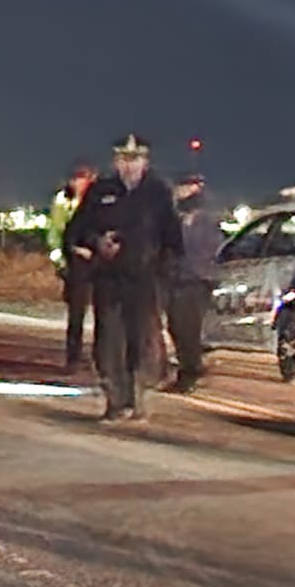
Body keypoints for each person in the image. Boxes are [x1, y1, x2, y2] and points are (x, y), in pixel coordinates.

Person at [64, 134, 183, 422]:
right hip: (108, 278)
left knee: (142, 341)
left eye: (135, 160)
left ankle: (138, 396)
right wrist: (97, 242)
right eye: (123, 160)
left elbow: (173, 239)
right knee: (109, 342)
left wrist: (163, 273)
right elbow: (74, 233)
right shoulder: (100, 191)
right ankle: (116, 401)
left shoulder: (158, 193)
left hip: (144, 280)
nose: (128, 166)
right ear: (115, 161)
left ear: (145, 161)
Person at [163, 172, 224, 393]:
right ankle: (189, 370)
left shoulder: (201, 214)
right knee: (178, 326)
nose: (178, 192)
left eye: (183, 187)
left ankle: (191, 373)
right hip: (181, 276)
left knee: (186, 327)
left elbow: (202, 247)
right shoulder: (179, 212)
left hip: (194, 278)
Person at [47, 161, 99, 371]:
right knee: (76, 313)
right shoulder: (64, 200)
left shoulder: (99, 199)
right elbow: (55, 230)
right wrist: (60, 260)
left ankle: (100, 357)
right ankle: (73, 357)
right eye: (78, 179)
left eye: (84, 179)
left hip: (97, 261)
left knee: (104, 313)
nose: (81, 183)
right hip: (75, 262)